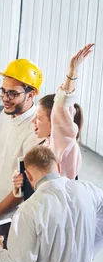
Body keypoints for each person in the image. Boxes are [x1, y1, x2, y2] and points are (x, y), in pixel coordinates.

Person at [0, 145, 103, 262]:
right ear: (58, 166)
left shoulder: (29, 209)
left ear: (28, 176)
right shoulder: (88, 190)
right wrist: (88, 248)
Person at [0, 58, 43, 262]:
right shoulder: (6, 113)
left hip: (13, 221)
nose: (6, 98)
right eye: (3, 91)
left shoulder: (33, 134)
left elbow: (24, 191)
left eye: (13, 93)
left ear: (31, 94)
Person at [26, 44, 92, 182]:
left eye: (38, 118)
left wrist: (72, 73)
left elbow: (61, 106)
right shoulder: (47, 144)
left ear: (55, 122)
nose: (33, 121)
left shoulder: (62, 144)